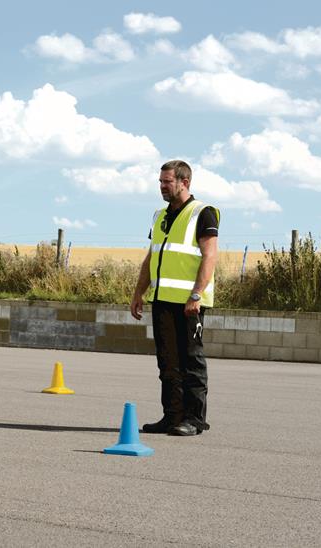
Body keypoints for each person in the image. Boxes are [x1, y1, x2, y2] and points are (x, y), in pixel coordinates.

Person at [130, 160, 219, 436]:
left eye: (167, 182)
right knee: (167, 361)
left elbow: (210, 256)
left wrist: (196, 294)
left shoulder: (203, 213)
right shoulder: (159, 216)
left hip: (189, 304)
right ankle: (172, 416)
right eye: (160, 182)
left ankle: (194, 419)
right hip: (162, 300)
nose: (162, 187)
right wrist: (138, 292)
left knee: (191, 360)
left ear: (184, 182)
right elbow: (152, 256)